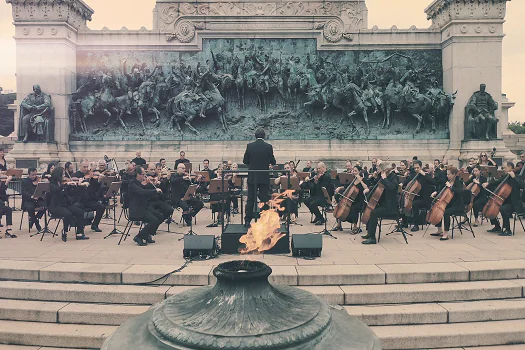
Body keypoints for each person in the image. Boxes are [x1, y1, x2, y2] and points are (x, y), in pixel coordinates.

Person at [243, 128, 276, 227]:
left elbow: (245, 161)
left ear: (255, 136)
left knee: (251, 199)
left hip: (253, 176)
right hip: (264, 176)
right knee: (264, 199)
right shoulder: (268, 146)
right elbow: (273, 161)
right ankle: (264, 220)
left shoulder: (250, 146)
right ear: (264, 136)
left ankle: (247, 221)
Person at [361, 162, 399, 245]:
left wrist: (384, 178)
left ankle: (372, 238)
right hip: (383, 204)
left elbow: (392, 188)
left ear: (385, 170)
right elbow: (377, 187)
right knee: (368, 207)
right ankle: (370, 233)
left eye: (380, 169)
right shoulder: (382, 177)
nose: (378, 171)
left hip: (390, 207)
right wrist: (374, 179)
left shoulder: (394, 177)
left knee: (373, 213)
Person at [484, 162, 525, 236]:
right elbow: (497, 181)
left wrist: (514, 177)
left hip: (514, 204)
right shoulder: (506, 177)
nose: (504, 169)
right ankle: (497, 226)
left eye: (505, 167)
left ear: (510, 167)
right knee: (490, 207)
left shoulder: (517, 176)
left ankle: (508, 230)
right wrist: (488, 183)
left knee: (503, 209)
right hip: (505, 201)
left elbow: (522, 185)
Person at [48, 167, 88, 242]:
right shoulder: (52, 183)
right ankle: (64, 231)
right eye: (62, 174)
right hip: (56, 206)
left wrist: (77, 186)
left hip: (65, 204)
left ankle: (79, 233)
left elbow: (71, 194)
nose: (64, 175)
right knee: (68, 214)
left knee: (80, 212)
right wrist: (65, 185)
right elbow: (56, 190)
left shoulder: (62, 183)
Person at [128, 166, 163, 246]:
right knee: (154, 220)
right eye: (143, 174)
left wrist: (152, 184)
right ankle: (139, 236)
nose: (144, 176)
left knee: (160, 216)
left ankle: (146, 234)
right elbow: (141, 192)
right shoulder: (132, 184)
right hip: (137, 210)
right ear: (138, 175)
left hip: (143, 207)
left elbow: (144, 188)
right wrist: (154, 190)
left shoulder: (138, 183)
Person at [430, 166, 464, 241]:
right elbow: (443, 191)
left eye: (449, 174)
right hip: (449, 203)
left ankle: (446, 233)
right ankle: (439, 230)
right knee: (438, 209)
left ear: (454, 174)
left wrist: (451, 187)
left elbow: (459, 191)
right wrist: (436, 192)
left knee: (446, 212)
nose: (447, 176)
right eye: (447, 174)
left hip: (457, 205)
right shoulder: (447, 182)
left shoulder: (458, 182)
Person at [71, 159, 106, 232]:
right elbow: (72, 190)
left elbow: (96, 189)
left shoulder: (91, 175)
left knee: (101, 207)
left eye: (87, 167)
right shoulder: (75, 175)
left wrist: (99, 181)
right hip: (79, 200)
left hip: (89, 200)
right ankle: (78, 226)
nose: (86, 169)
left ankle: (95, 224)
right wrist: (80, 184)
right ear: (79, 166)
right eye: (84, 167)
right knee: (77, 208)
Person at [333, 165, 368, 234]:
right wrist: (340, 188)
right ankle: (339, 225)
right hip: (350, 199)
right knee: (340, 205)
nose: (354, 172)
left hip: (359, 201)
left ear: (359, 172)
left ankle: (355, 227)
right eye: (353, 171)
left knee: (354, 208)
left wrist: (360, 180)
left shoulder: (363, 179)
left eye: (355, 171)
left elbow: (366, 188)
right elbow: (346, 187)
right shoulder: (352, 179)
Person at [402, 160, 436, 232]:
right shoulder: (414, 175)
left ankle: (416, 225)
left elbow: (434, 182)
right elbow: (408, 180)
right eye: (415, 168)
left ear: (421, 167)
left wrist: (424, 174)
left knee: (415, 204)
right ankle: (404, 222)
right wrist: (402, 184)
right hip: (416, 196)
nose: (416, 169)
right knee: (402, 201)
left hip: (425, 198)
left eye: (417, 168)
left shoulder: (425, 175)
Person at [21, 167, 46, 232]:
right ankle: (37, 223)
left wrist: (41, 185)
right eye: (32, 175)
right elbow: (23, 192)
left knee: (46, 205)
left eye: (35, 174)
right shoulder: (24, 181)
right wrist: (31, 196)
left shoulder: (38, 180)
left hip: (37, 200)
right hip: (28, 201)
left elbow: (43, 191)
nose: (34, 176)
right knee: (30, 208)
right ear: (29, 174)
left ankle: (34, 219)